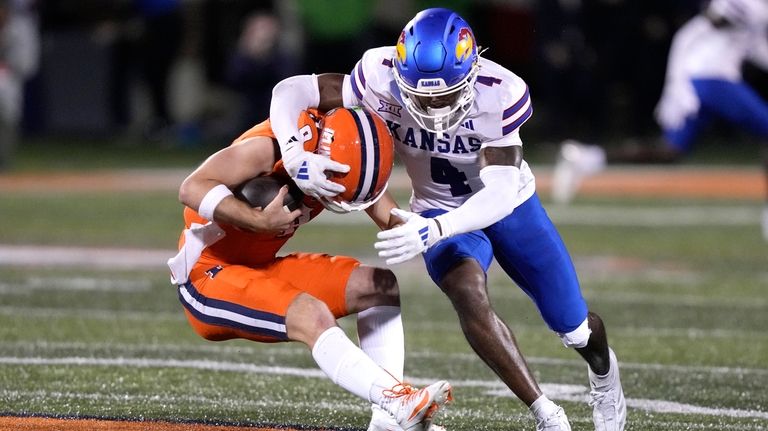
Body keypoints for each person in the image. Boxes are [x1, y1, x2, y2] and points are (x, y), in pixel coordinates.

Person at [269, 7, 626, 431]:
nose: (434, 107)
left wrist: (437, 228)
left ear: (473, 71)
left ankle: (605, 377)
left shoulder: (501, 92)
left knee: (576, 328)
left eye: (444, 94)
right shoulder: (378, 75)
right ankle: (546, 413)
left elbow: (497, 194)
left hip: (509, 205)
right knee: (467, 291)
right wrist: (294, 154)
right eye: (421, 96)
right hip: (435, 207)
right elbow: (292, 90)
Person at [166, 109, 452, 431]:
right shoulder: (271, 146)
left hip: (260, 266)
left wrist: (442, 233)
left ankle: (387, 423)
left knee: (377, 285)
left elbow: (394, 221)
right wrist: (258, 220)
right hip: (207, 276)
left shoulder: (352, 160)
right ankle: (395, 400)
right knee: (311, 314)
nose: (343, 194)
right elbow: (191, 188)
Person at [551, 0, 768, 241]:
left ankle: (586, 157)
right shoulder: (745, 4)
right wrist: (677, 82)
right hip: (709, 78)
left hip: (707, 77)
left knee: (669, 151)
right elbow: (694, 32)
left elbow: (757, 49)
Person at [0, 0, 39, 171]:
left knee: (9, 117)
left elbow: (27, 63)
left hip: (8, 75)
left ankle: (3, 160)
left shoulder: (20, 27)